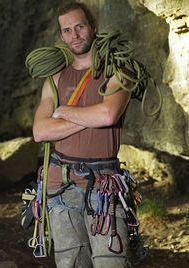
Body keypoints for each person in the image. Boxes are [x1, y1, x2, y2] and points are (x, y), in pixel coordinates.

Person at [32, 2, 133, 268]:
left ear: (93, 28)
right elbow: (40, 132)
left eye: (79, 27)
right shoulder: (54, 78)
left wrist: (64, 112)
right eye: (67, 30)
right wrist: (90, 116)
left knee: (112, 262)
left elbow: (108, 116)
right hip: (59, 185)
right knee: (71, 264)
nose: (74, 35)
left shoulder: (119, 70)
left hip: (103, 185)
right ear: (62, 36)